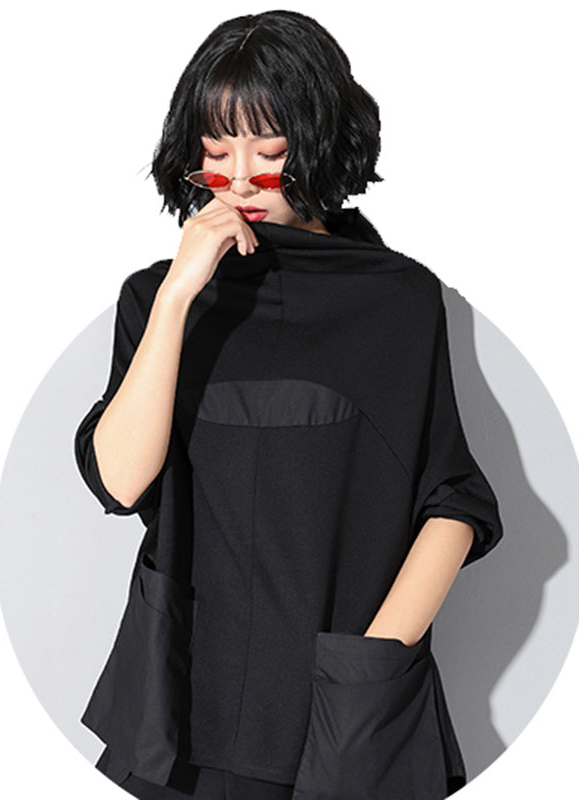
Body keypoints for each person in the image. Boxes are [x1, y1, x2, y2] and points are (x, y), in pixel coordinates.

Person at [74, 10, 503, 800]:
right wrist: (177, 295)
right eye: (215, 152)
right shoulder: (157, 300)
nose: (239, 178)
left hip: (336, 718)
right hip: (177, 714)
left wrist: (371, 665)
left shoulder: (398, 303)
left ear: (320, 143)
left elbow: (452, 501)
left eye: (268, 152)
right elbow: (120, 482)